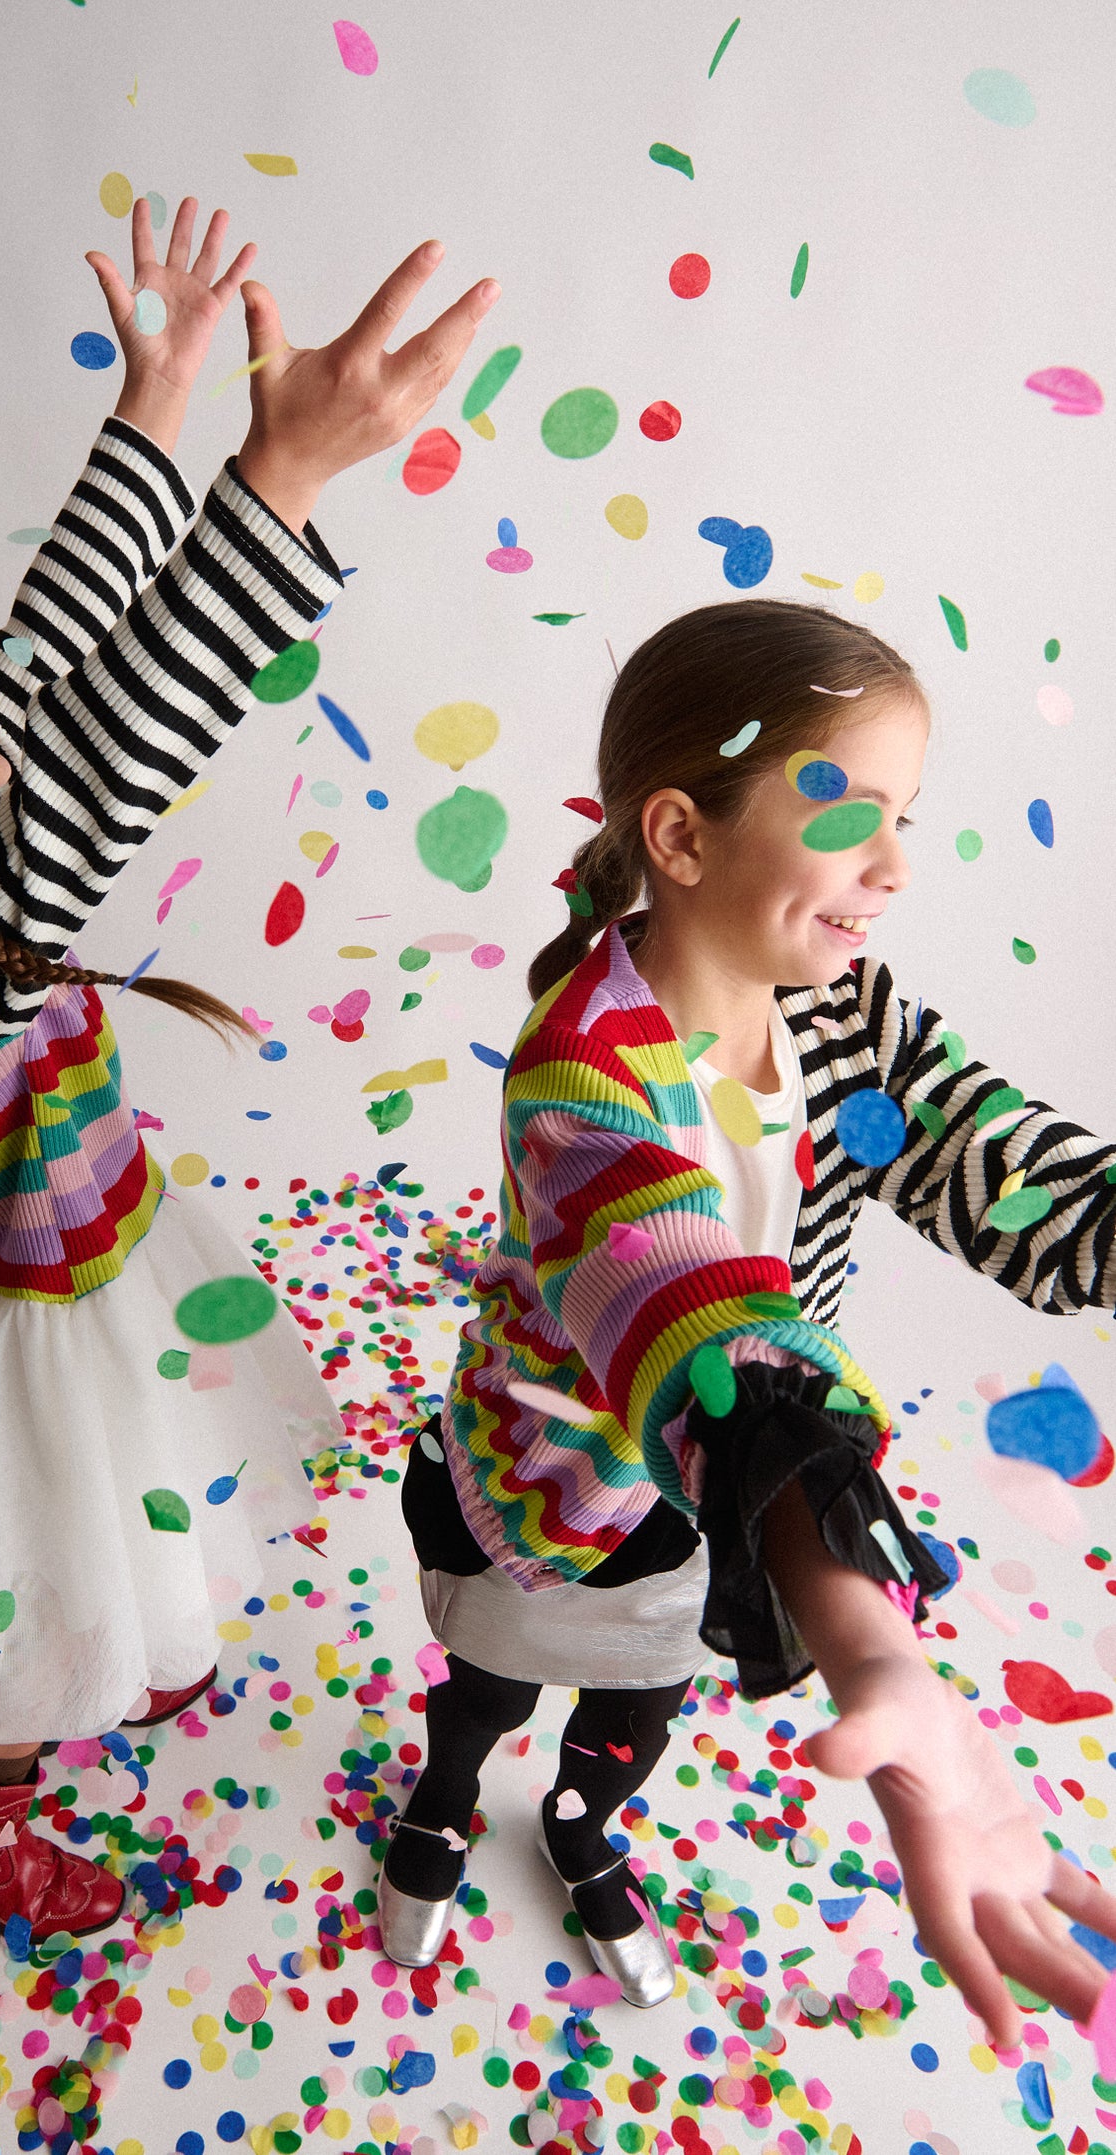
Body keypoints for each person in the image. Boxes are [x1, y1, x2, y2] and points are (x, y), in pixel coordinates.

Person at [0, 195, 501, 1943]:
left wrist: (158, 398)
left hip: (77, 1255)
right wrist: (278, 485)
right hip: (40, 1323)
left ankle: (132, 1635)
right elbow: (122, 730)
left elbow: (51, 644)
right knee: (42, 1589)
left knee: (142, 1505)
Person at [383, 596, 1116, 2049]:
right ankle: (443, 1802)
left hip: (709, 1523)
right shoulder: (575, 1072)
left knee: (634, 1719)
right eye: (852, 813)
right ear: (679, 836)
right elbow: (698, 1325)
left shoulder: (845, 1016)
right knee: (484, 1690)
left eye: (905, 816)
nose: (895, 869)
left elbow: (1023, 1188)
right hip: (548, 1499)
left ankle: (583, 1831)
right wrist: (864, 1639)